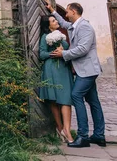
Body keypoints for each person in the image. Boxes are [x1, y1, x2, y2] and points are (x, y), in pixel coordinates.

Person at [45, 0, 106, 148]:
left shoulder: (84, 27)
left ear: (73, 11)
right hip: (84, 70)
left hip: (88, 70)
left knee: (76, 95)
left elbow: (83, 49)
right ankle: (99, 135)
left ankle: (83, 136)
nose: (65, 14)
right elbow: (64, 24)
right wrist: (52, 10)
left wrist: (63, 54)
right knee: (93, 101)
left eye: (67, 11)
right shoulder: (74, 26)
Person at [39, 15, 74, 144]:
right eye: (53, 21)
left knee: (66, 99)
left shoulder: (62, 35)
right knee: (53, 99)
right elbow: (41, 54)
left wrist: (63, 50)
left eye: (56, 20)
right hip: (51, 69)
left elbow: (68, 49)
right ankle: (59, 127)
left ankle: (67, 129)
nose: (56, 21)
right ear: (48, 26)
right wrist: (53, 54)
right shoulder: (44, 37)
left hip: (63, 69)